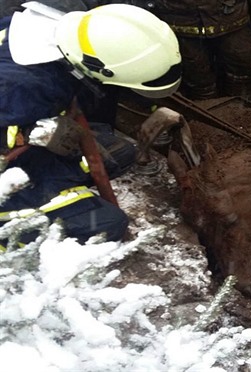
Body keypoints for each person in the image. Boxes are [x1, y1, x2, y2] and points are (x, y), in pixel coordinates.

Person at [0, 3, 181, 246]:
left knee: (121, 152)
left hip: (27, 147)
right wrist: (27, 135)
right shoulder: (22, 88)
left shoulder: (37, 31)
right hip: (7, 174)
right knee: (107, 223)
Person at [146, 0, 251, 99]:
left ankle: (241, 105)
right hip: (179, 18)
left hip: (229, 14)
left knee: (244, 61)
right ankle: (207, 110)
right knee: (196, 73)